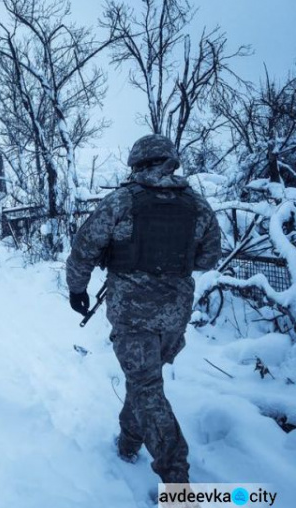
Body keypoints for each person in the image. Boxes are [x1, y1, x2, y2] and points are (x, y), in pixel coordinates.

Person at [65, 134, 221, 486]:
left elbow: (84, 247)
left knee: (147, 386)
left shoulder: (121, 201)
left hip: (132, 312)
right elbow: (209, 257)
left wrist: (77, 289)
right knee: (145, 381)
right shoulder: (196, 205)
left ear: (136, 165)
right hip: (175, 312)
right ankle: (128, 443)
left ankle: (176, 477)